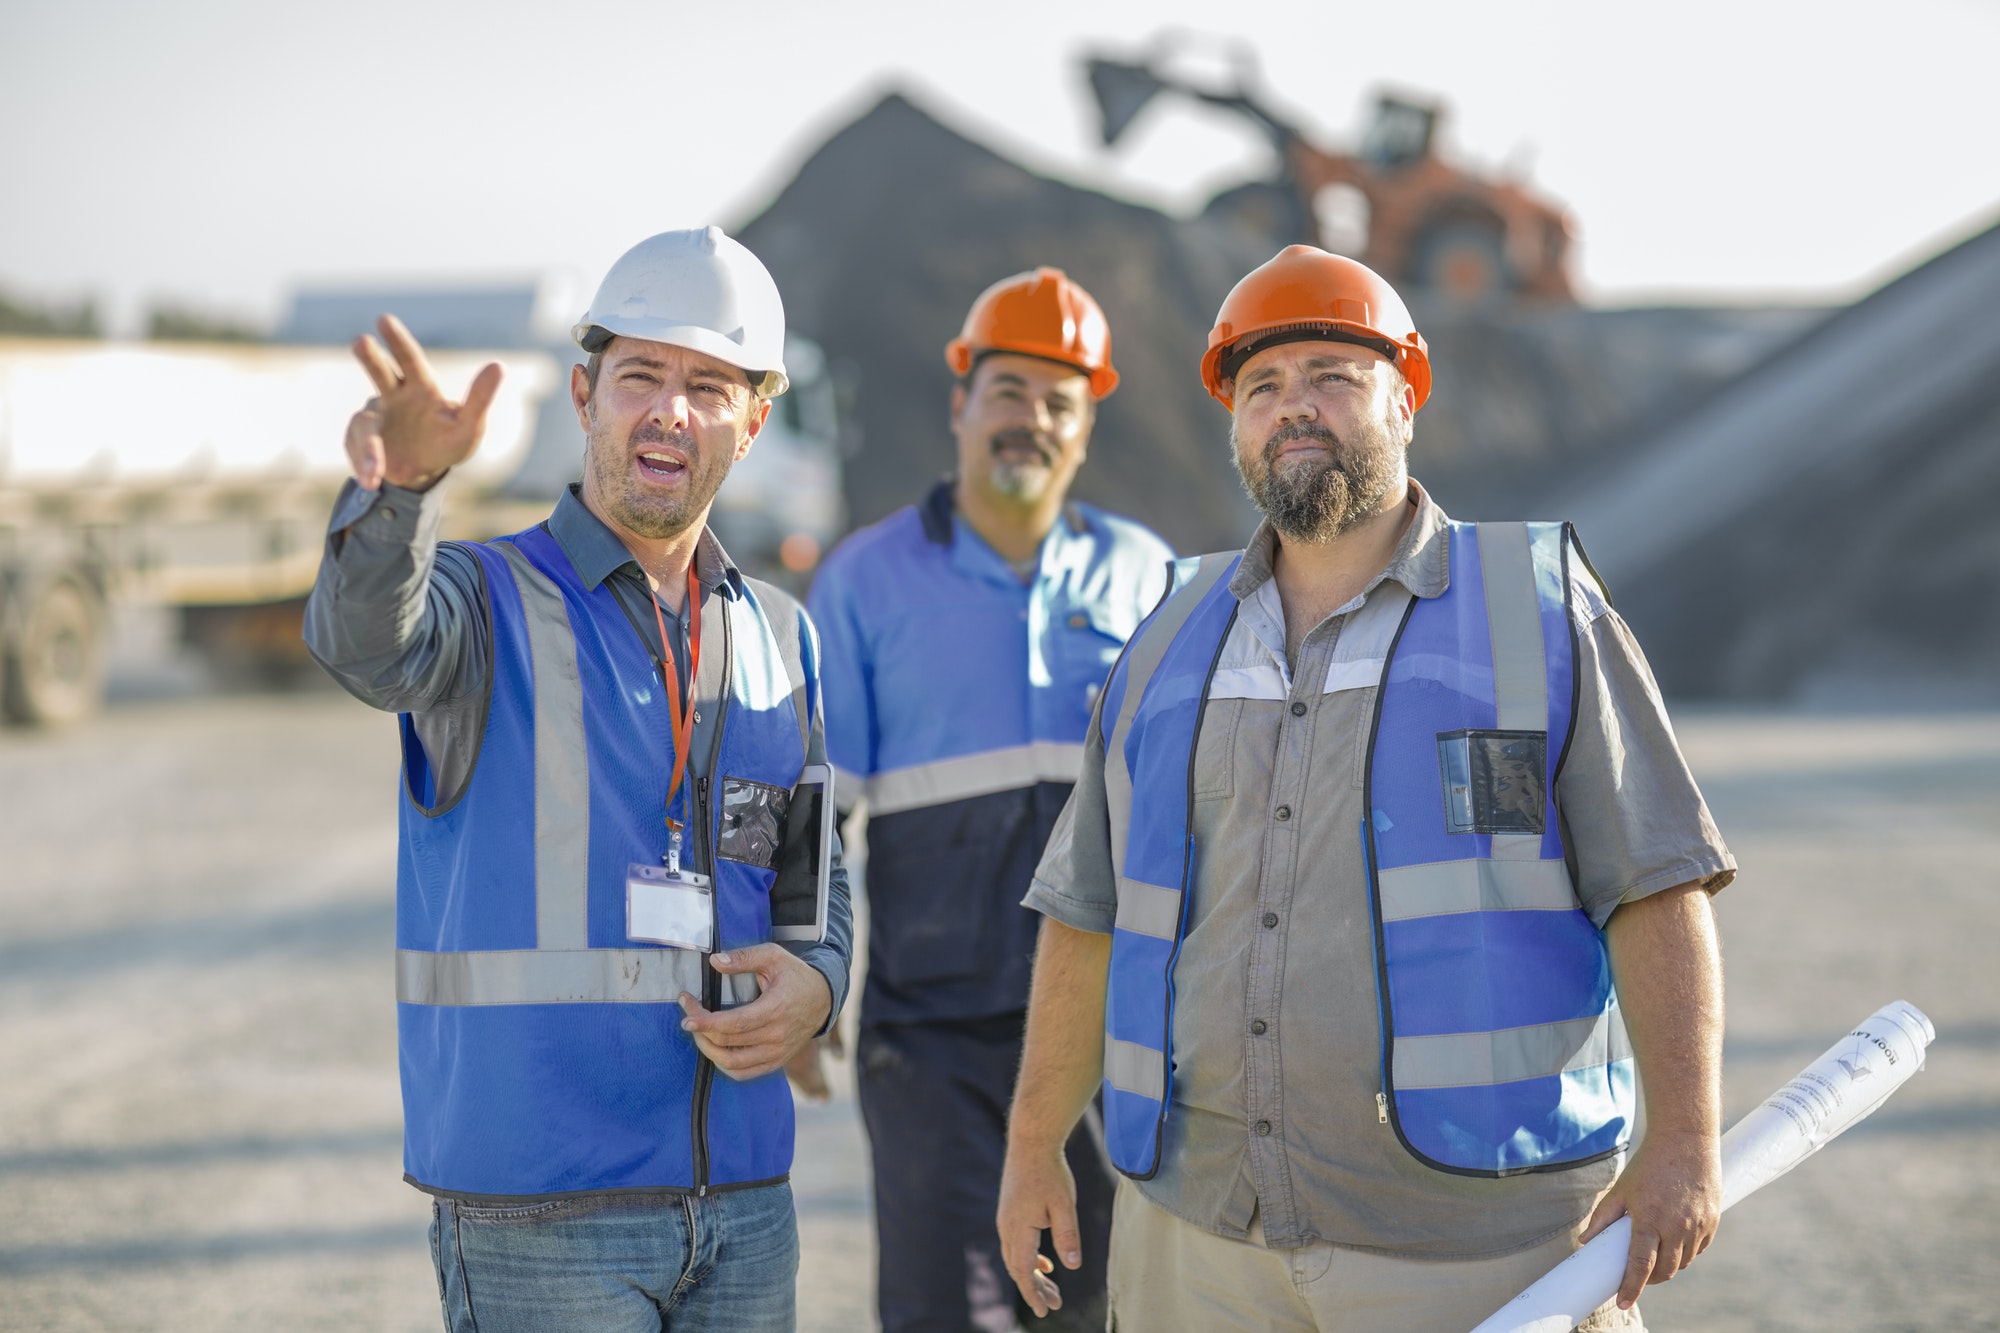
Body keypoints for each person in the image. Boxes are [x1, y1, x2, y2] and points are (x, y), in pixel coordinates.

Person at [996, 245, 1735, 1333]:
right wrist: (1031, 1148)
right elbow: (1087, 913)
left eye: (1330, 377)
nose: (1293, 407)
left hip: (1481, 1245)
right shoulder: (1165, 636)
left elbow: (1656, 885)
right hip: (1198, 1242)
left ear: (1403, 399)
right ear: (1236, 424)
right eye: (1262, 388)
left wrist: (1683, 1141)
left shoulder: (1535, 614)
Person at [304, 227, 852, 1333]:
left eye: (707, 385)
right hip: (539, 1210)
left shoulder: (780, 637)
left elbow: (809, 872)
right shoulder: (479, 601)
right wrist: (405, 496)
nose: (669, 411)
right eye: (640, 375)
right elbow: (366, 643)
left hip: (744, 1201)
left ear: (751, 423)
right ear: (587, 393)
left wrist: (821, 980)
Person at [806, 268, 1173, 1330]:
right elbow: (811, 806)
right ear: (960, 402)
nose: (1030, 421)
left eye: (1058, 402)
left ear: (1085, 429)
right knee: (945, 1313)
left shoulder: (1144, 574)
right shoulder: (864, 581)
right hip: (930, 1038)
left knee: (1109, 1311)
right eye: (1008, 391)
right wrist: (801, 967)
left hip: (1116, 1033)